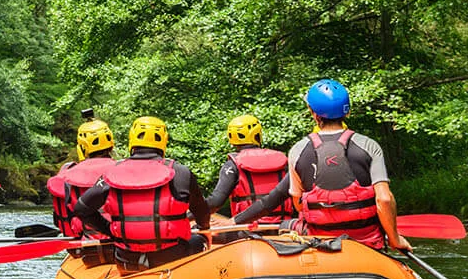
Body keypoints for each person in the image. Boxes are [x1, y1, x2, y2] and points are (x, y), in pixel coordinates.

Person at [244, 79, 406, 249]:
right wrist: (395, 239)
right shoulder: (369, 146)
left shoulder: (298, 151)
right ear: (347, 112)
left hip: (319, 241)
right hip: (366, 241)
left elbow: (299, 204)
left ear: (314, 114)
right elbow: (384, 199)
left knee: (286, 225)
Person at [70, 116, 213, 253]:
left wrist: (110, 230)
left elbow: (81, 209)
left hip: (126, 257)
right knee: (200, 239)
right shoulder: (181, 172)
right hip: (172, 254)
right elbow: (201, 211)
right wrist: (203, 227)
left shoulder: (112, 172)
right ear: (163, 141)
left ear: (131, 140)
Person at [205, 114, 296, 225]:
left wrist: (189, 215)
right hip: (282, 225)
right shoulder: (284, 162)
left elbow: (216, 202)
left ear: (231, 137)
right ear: (258, 134)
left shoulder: (232, 165)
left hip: (245, 228)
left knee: (198, 235)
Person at [47, 116, 115, 233]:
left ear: (82, 147)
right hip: (119, 237)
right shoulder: (122, 171)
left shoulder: (66, 175)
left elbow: (62, 217)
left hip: (84, 239)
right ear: (111, 145)